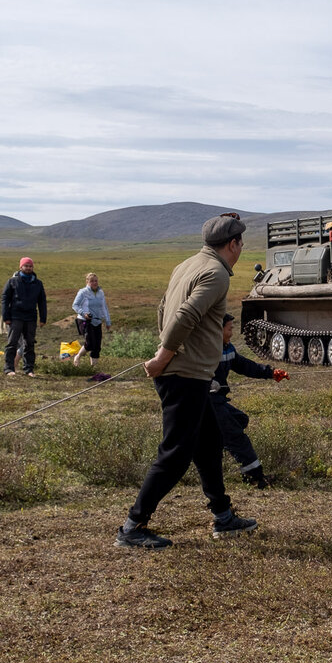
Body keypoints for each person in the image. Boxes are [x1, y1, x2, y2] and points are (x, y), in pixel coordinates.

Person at [115, 213, 256, 548]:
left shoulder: (187, 264)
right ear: (233, 243)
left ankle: (224, 516)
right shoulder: (216, 272)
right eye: (241, 244)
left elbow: (163, 309)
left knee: (208, 443)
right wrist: (165, 356)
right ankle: (132, 527)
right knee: (175, 453)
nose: (241, 250)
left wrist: (165, 350)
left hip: (189, 372)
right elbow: (185, 315)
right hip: (185, 374)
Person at [211, 313, 288, 489]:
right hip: (206, 402)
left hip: (218, 400)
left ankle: (216, 451)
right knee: (236, 436)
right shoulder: (206, 350)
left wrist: (271, 372)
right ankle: (255, 477)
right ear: (217, 330)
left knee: (240, 420)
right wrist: (206, 383)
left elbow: (244, 365)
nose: (232, 333)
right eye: (229, 329)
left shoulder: (227, 348)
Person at [1, 257, 47, 376]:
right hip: (16, 316)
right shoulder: (12, 281)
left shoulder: (38, 283)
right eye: (26, 266)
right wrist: (6, 316)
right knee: (12, 343)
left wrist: (43, 318)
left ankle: (29, 369)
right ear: (21, 267)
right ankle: (9, 369)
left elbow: (42, 301)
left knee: (29, 344)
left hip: (31, 317)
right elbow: (5, 299)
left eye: (30, 266)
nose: (28, 268)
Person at [71, 272, 111, 367]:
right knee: (90, 343)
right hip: (85, 320)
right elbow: (75, 305)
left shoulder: (101, 292)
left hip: (97, 321)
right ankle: (78, 356)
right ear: (87, 282)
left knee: (97, 346)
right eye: (92, 281)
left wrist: (107, 321)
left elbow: (104, 307)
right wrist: (83, 313)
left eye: (96, 281)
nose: (94, 283)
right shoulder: (83, 292)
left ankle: (94, 367)